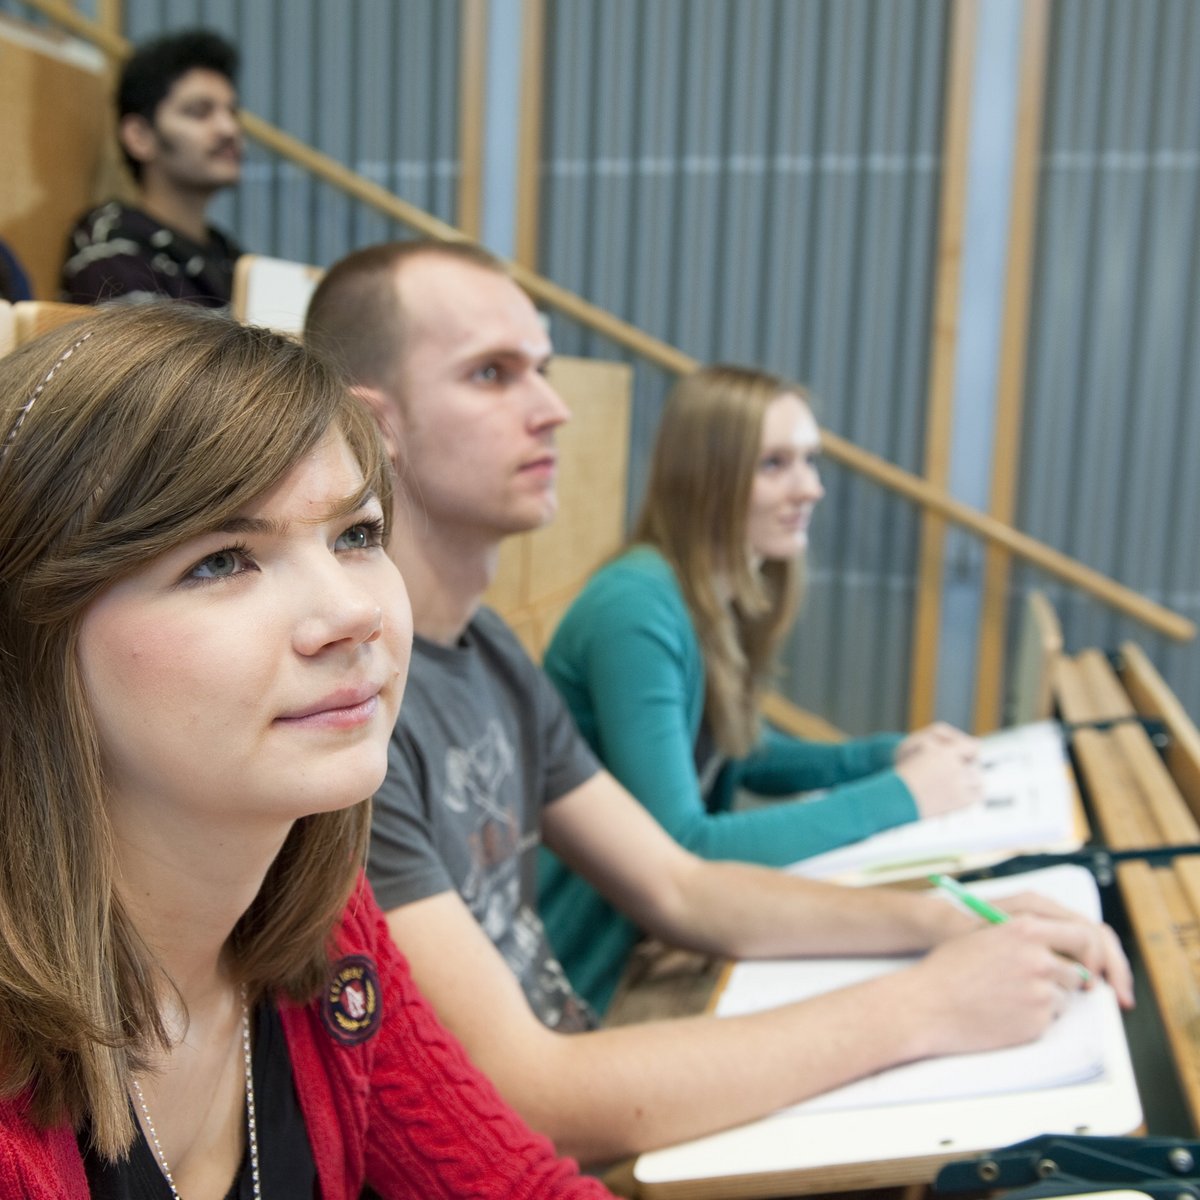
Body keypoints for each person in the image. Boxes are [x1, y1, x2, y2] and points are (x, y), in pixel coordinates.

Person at [303, 238, 1134, 1167]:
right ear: (378, 427)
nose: (554, 409)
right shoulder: (347, 710)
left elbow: (678, 883)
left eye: (541, 368)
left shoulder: (489, 647)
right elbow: (530, 1096)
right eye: (494, 375)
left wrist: (943, 919)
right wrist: (926, 1004)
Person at [0, 305, 610, 1198]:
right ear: (29, 637)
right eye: (221, 560)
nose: (353, 613)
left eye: (358, 536)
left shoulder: (330, 930)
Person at [539, 364, 983, 1012]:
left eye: (809, 460)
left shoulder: (713, 590)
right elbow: (685, 846)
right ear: (707, 477)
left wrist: (885, 756)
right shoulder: (636, 608)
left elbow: (742, 749)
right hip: (586, 973)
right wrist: (903, 797)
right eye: (774, 464)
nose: (811, 488)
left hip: (645, 945)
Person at [61, 29, 243, 307]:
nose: (229, 129)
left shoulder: (233, 261)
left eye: (232, 112)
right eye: (199, 111)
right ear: (140, 136)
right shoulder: (111, 247)